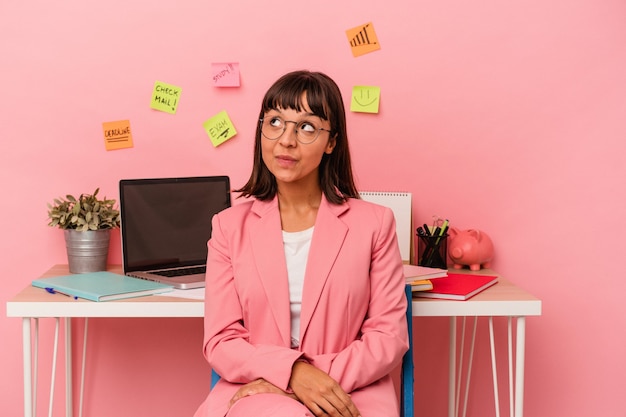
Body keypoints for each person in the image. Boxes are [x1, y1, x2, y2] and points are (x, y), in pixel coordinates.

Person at [193, 70, 409, 417]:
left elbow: (387, 338)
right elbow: (221, 341)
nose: (286, 140)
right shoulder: (228, 227)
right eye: (275, 122)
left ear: (332, 142)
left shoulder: (374, 223)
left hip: (348, 389)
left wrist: (311, 383)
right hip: (255, 391)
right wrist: (294, 373)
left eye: (306, 127)